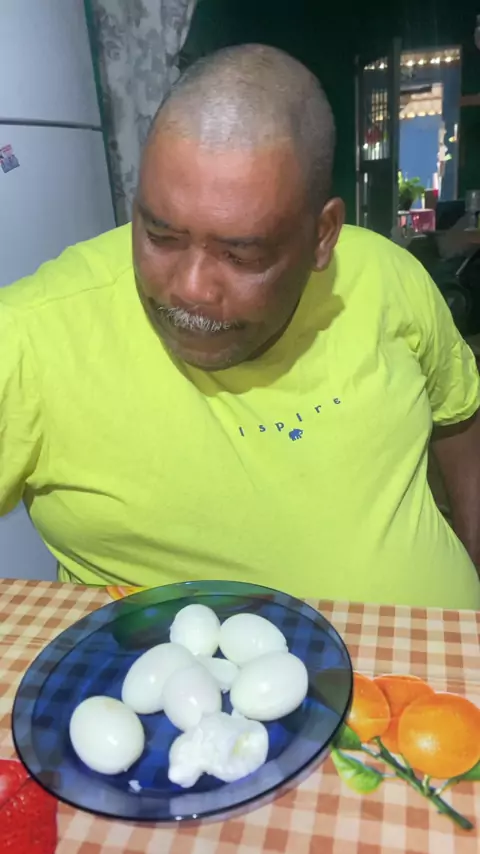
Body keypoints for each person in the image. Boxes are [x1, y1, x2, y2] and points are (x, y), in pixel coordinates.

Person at [1, 44, 479, 610]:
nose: (191, 288)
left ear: (322, 235)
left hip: (442, 656)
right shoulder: (30, 335)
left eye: (241, 254)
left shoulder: (388, 275)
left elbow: (459, 419)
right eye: (159, 236)